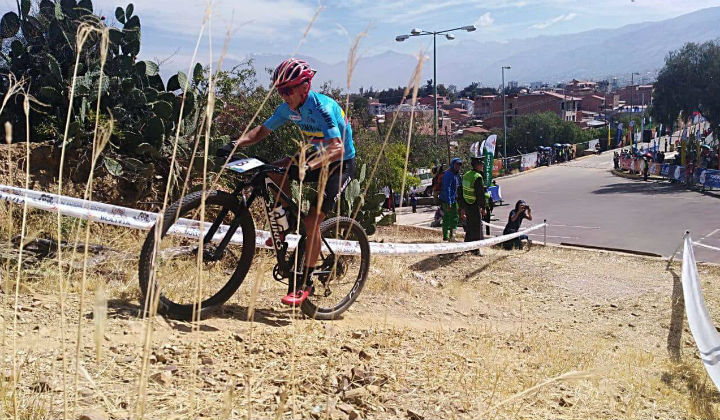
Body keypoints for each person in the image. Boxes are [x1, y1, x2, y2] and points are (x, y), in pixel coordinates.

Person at [215, 58, 355, 307]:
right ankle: (286, 222)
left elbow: (337, 147)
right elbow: (262, 131)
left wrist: (309, 166)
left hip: (339, 162)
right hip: (316, 154)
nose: (284, 95)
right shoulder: (286, 109)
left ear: (304, 87)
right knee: (274, 170)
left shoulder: (322, 107)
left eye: (288, 90)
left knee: (313, 223)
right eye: (280, 91)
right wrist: (235, 143)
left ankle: (306, 283)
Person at [459, 157, 486, 255]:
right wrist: (483, 207)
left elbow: (461, 191)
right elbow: (480, 195)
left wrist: (462, 208)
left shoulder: (466, 175)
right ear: (477, 165)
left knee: (469, 226)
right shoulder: (477, 177)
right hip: (474, 205)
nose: (483, 166)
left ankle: (467, 246)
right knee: (476, 227)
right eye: (481, 164)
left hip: (466, 204)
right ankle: (475, 250)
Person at [439, 158, 462, 241]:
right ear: (452, 164)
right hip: (448, 201)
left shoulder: (456, 174)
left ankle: (449, 236)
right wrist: (449, 202)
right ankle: (449, 236)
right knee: (451, 218)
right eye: (456, 164)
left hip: (452, 200)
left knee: (450, 218)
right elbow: (447, 189)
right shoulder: (448, 175)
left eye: (459, 165)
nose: (458, 166)